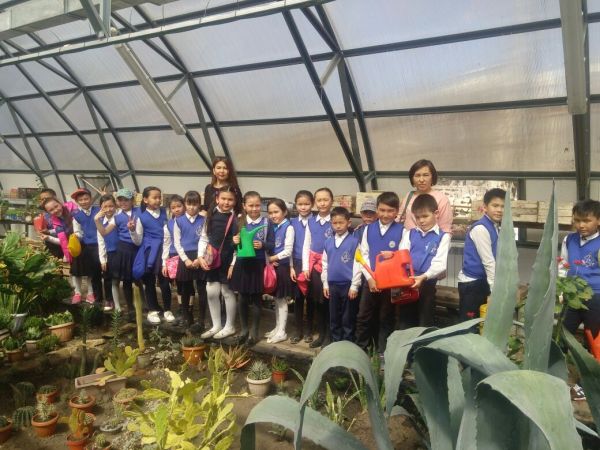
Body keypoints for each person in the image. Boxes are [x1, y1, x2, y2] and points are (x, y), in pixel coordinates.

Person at [559, 200, 600, 400]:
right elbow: (563, 265)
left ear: (598, 221)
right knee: (562, 335)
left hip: (596, 298)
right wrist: (561, 290)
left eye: (587, 220)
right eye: (577, 220)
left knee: (593, 341)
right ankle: (553, 372)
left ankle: (589, 384)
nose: (581, 225)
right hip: (571, 297)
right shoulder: (569, 240)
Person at [355, 192, 403, 353]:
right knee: (363, 316)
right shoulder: (368, 229)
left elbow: (404, 255)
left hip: (391, 283)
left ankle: (383, 352)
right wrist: (370, 278)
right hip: (371, 280)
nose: (386, 214)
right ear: (377, 209)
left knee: (386, 317)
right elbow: (363, 255)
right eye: (382, 210)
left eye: (390, 211)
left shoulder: (403, 231)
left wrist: (394, 255)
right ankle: (361, 350)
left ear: (397, 212)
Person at [399, 194, 451, 327]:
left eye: (425, 216)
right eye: (417, 217)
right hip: (407, 283)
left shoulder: (443, 237)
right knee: (405, 321)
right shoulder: (409, 233)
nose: (421, 221)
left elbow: (440, 263)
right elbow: (402, 256)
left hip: (427, 284)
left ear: (436, 214)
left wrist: (423, 277)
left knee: (425, 320)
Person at [231, 191, 273, 344]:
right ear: (244, 206)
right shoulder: (238, 222)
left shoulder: (267, 223)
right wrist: (234, 241)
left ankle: (254, 331)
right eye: (251, 205)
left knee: (256, 298)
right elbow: (232, 245)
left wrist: (263, 245)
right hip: (242, 264)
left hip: (258, 264)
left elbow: (272, 244)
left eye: (257, 205)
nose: (254, 208)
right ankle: (244, 329)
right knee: (242, 297)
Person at [457, 188, 506, 322]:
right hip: (472, 284)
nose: (499, 210)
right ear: (485, 207)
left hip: (482, 282)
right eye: (495, 205)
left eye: (503, 206)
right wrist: (494, 291)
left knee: (481, 324)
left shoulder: (495, 227)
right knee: (469, 326)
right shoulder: (481, 228)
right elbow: (488, 262)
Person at [197, 185, 239, 340]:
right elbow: (204, 237)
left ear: (235, 201)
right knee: (211, 292)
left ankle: (230, 326)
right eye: (223, 199)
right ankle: (216, 325)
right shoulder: (210, 216)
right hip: (212, 258)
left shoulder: (237, 219)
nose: (226, 202)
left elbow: (239, 245)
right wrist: (200, 257)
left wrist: (233, 264)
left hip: (228, 260)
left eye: (230, 200)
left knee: (227, 292)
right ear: (217, 199)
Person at [130, 186, 174, 325]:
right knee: (149, 282)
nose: (158, 200)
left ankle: (167, 309)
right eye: (154, 197)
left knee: (165, 282)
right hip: (149, 251)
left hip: (164, 250)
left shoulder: (166, 212)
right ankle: (152, 310)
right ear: (145, 199)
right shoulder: (141, 216)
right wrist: (132, 230)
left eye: (159, 197)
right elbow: (138, 240)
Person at [321, 207, 361, 343]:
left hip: (348, 285)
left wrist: (355, 285)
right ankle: (336, 342)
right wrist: (325, 284)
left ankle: (347, 343)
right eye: (334, 223)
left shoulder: (354, 242)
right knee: (334, 316)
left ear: (348, 223)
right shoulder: (328, 242)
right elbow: (324, 264)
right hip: (332, 285)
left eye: (341, 223)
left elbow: (358, 265)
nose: (338, 226)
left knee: (347, 317)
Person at [302, 187, 335, 348]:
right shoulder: (311, 222)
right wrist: (305, 267)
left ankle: (330, 335)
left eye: (325, 200)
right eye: (319, 200)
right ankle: (321, 335)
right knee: (318, 302)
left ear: (332, 201)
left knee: (329, 302)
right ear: (315, 202)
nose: (322, 203)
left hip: (332, 266)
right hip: (316, 268)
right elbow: (306, 245)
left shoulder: (335, 220)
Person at [101, 188, 138, 321]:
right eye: (120, 200)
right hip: (123, 250)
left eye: (126, 199)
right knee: (126, 280)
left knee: (139, 278)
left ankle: (144, 305)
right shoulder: (117, 217)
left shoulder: (139, 212)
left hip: (138, 248)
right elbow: (104, 232)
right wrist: (96, 220)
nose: (123, 202)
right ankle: (130, 308)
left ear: (132, 200)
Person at [172, 191, 206, 330]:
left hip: (200, 257)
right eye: (189, 204)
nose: (192, 207)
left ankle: (202, 320)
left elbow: (205, 239)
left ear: (199, 205)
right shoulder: (178, 221)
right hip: (184, 257)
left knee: (202, 289)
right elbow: (177, 242)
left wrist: (199, 257)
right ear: (185, 204)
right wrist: (185, 259)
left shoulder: (204, 220)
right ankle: (187, 317)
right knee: (185, 288)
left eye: (195, 204)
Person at [266, 198, 294, 344]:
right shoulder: (272, 226)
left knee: (282, 299)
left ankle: (282, 331)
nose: (273, 215)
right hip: (274, 267)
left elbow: (288, 250)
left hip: (282, 267)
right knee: (276, 299)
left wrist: (272, 258)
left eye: (276, 212)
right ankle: (277, 327)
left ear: (284, 212)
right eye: (270, 213)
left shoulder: (288, 228)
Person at [398, 159, 453, 233]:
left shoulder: (441, 199)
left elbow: (445, 228)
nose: (421, 180)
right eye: (417, 175)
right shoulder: (409, 196)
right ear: (412, 178)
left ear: (432, 177)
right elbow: (399, 218)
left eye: (426, 175)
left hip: (431, 240)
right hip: (408, 239)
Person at [70, 188, 103, 305]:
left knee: (102, 272)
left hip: (102, 244)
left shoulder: (99, 210)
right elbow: (78, 231)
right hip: (89, 246)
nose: (84, 201)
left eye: (86, 198)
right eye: (81, 200)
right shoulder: (76, 216)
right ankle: (93, 295)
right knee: (92, 272)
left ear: (91, 198)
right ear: (77, 202)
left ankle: (103, 297)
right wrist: (76, 236)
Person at [290, 190, 314, 344]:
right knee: (297, 299)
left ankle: (309, 331)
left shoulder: (316, 221)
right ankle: (297, 330)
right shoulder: (292, 223)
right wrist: (291, 266)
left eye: (306, 204)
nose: (303, 207)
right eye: (300, 204)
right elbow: (289, 246)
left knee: (311, 299)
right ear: (296, 205)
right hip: (297, 264)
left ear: (312, 204)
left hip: (312, 265)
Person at [94, 194, 120, 311]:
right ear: (101, 208)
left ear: (115, 206)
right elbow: (101, 242)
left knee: (127, 278)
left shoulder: (119, 218)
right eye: (105, 207)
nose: (109, 209)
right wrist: (103, 259)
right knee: (108, 277)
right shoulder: (100, 222)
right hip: (110, 253)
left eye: (111, 206)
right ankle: (109, 300)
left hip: (121, 252)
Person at [162, 195, 186, 315]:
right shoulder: (168, 224)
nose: (177, 209)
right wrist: (164, 263)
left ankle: (185, 307)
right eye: (173, 207)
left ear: (184, 206)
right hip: (173, 256)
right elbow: (166, 244)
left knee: (185, 283)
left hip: (186, 256)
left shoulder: (188, 220)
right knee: (176, 283)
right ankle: (180, 307)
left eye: (179, 206)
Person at [34, 188, 66, 258]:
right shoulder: (44, 215)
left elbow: (64, 228)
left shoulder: (62, 211)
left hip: (63, 244)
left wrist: (49, 232)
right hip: (51, 244)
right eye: (42, 199)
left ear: (54, 197)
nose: (43, 201)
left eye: (45, 199)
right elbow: (42, 230)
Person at [39, 197, 72, 263]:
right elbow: (63, 238)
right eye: (51, 210)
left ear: (60, 203)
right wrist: (48, 235)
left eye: (56, 206)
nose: (56, 210)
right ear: (48, 213)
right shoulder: (56, 220)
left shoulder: (73, 212)